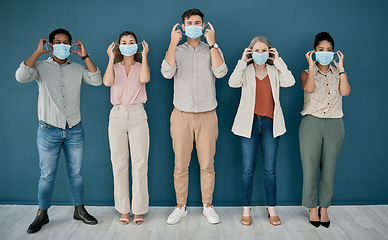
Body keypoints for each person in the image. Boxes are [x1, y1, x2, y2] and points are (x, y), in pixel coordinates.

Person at [15, 28, 102, 234]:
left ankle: (79, 210)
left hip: (74, 129)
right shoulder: (40, 67)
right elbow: (20, 76)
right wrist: (37, 52)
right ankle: (42, 214)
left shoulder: (78, 68)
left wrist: (85, 56)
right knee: (46, 175)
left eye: (65, 42)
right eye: (57, 42)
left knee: (77, 173)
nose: (61, 45)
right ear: (50, 45)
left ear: (71, 46)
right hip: (48, 130)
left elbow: (97, 80)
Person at [161, 8, 228, 225]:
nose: (193, 25)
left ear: (204, 26)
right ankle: (181, 206)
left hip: (208, 115)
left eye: (197, 22)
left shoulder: (212, 49)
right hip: (181, 115)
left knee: (207, 164)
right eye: (189, 22)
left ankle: (208, 206)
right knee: (180, 165)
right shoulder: (176, 50)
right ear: (182, 26)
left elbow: (221, 72)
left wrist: (213, 43)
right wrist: (172, 43)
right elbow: (166, 72)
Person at [229, 36, 295, 226]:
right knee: (247, 170)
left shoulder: (274, 71)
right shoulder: (246, 70)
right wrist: (242, 61)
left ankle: (271, 208)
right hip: (248, 124)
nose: (260, 54)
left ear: (270, 52)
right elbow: (232, 83)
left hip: (270, 124)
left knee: (270, 170)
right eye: (256, 50)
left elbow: (289, 82)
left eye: (263, 50)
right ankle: (246, 209)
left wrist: (279, 60)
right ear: (250, 52)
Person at [299, 32, 351, 228]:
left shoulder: (339, 73)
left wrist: (342, 69)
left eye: (329, 50)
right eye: (321, 50)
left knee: (329, 169)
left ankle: (324, 208)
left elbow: (345, 92)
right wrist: (312, 66)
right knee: (310, 168)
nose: (326, 53)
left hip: (335, 124)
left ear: (335, 52)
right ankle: (312, 208)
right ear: (314, 51)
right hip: (311, 123)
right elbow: (309, 88)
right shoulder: (306, 72)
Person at [103, 31, 150, 225]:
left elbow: (145, 79)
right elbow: (107, 82)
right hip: (117, 115)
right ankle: (124, 209)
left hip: (138, 114)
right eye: (124, 42)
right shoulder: (114, 67)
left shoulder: (141, 66)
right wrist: (110, 58)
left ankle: (138, 209)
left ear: (137, 45)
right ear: (118, 45)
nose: (128, 44)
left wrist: (145, 56)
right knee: (119, 164)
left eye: (131, 42)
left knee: (140, 164)